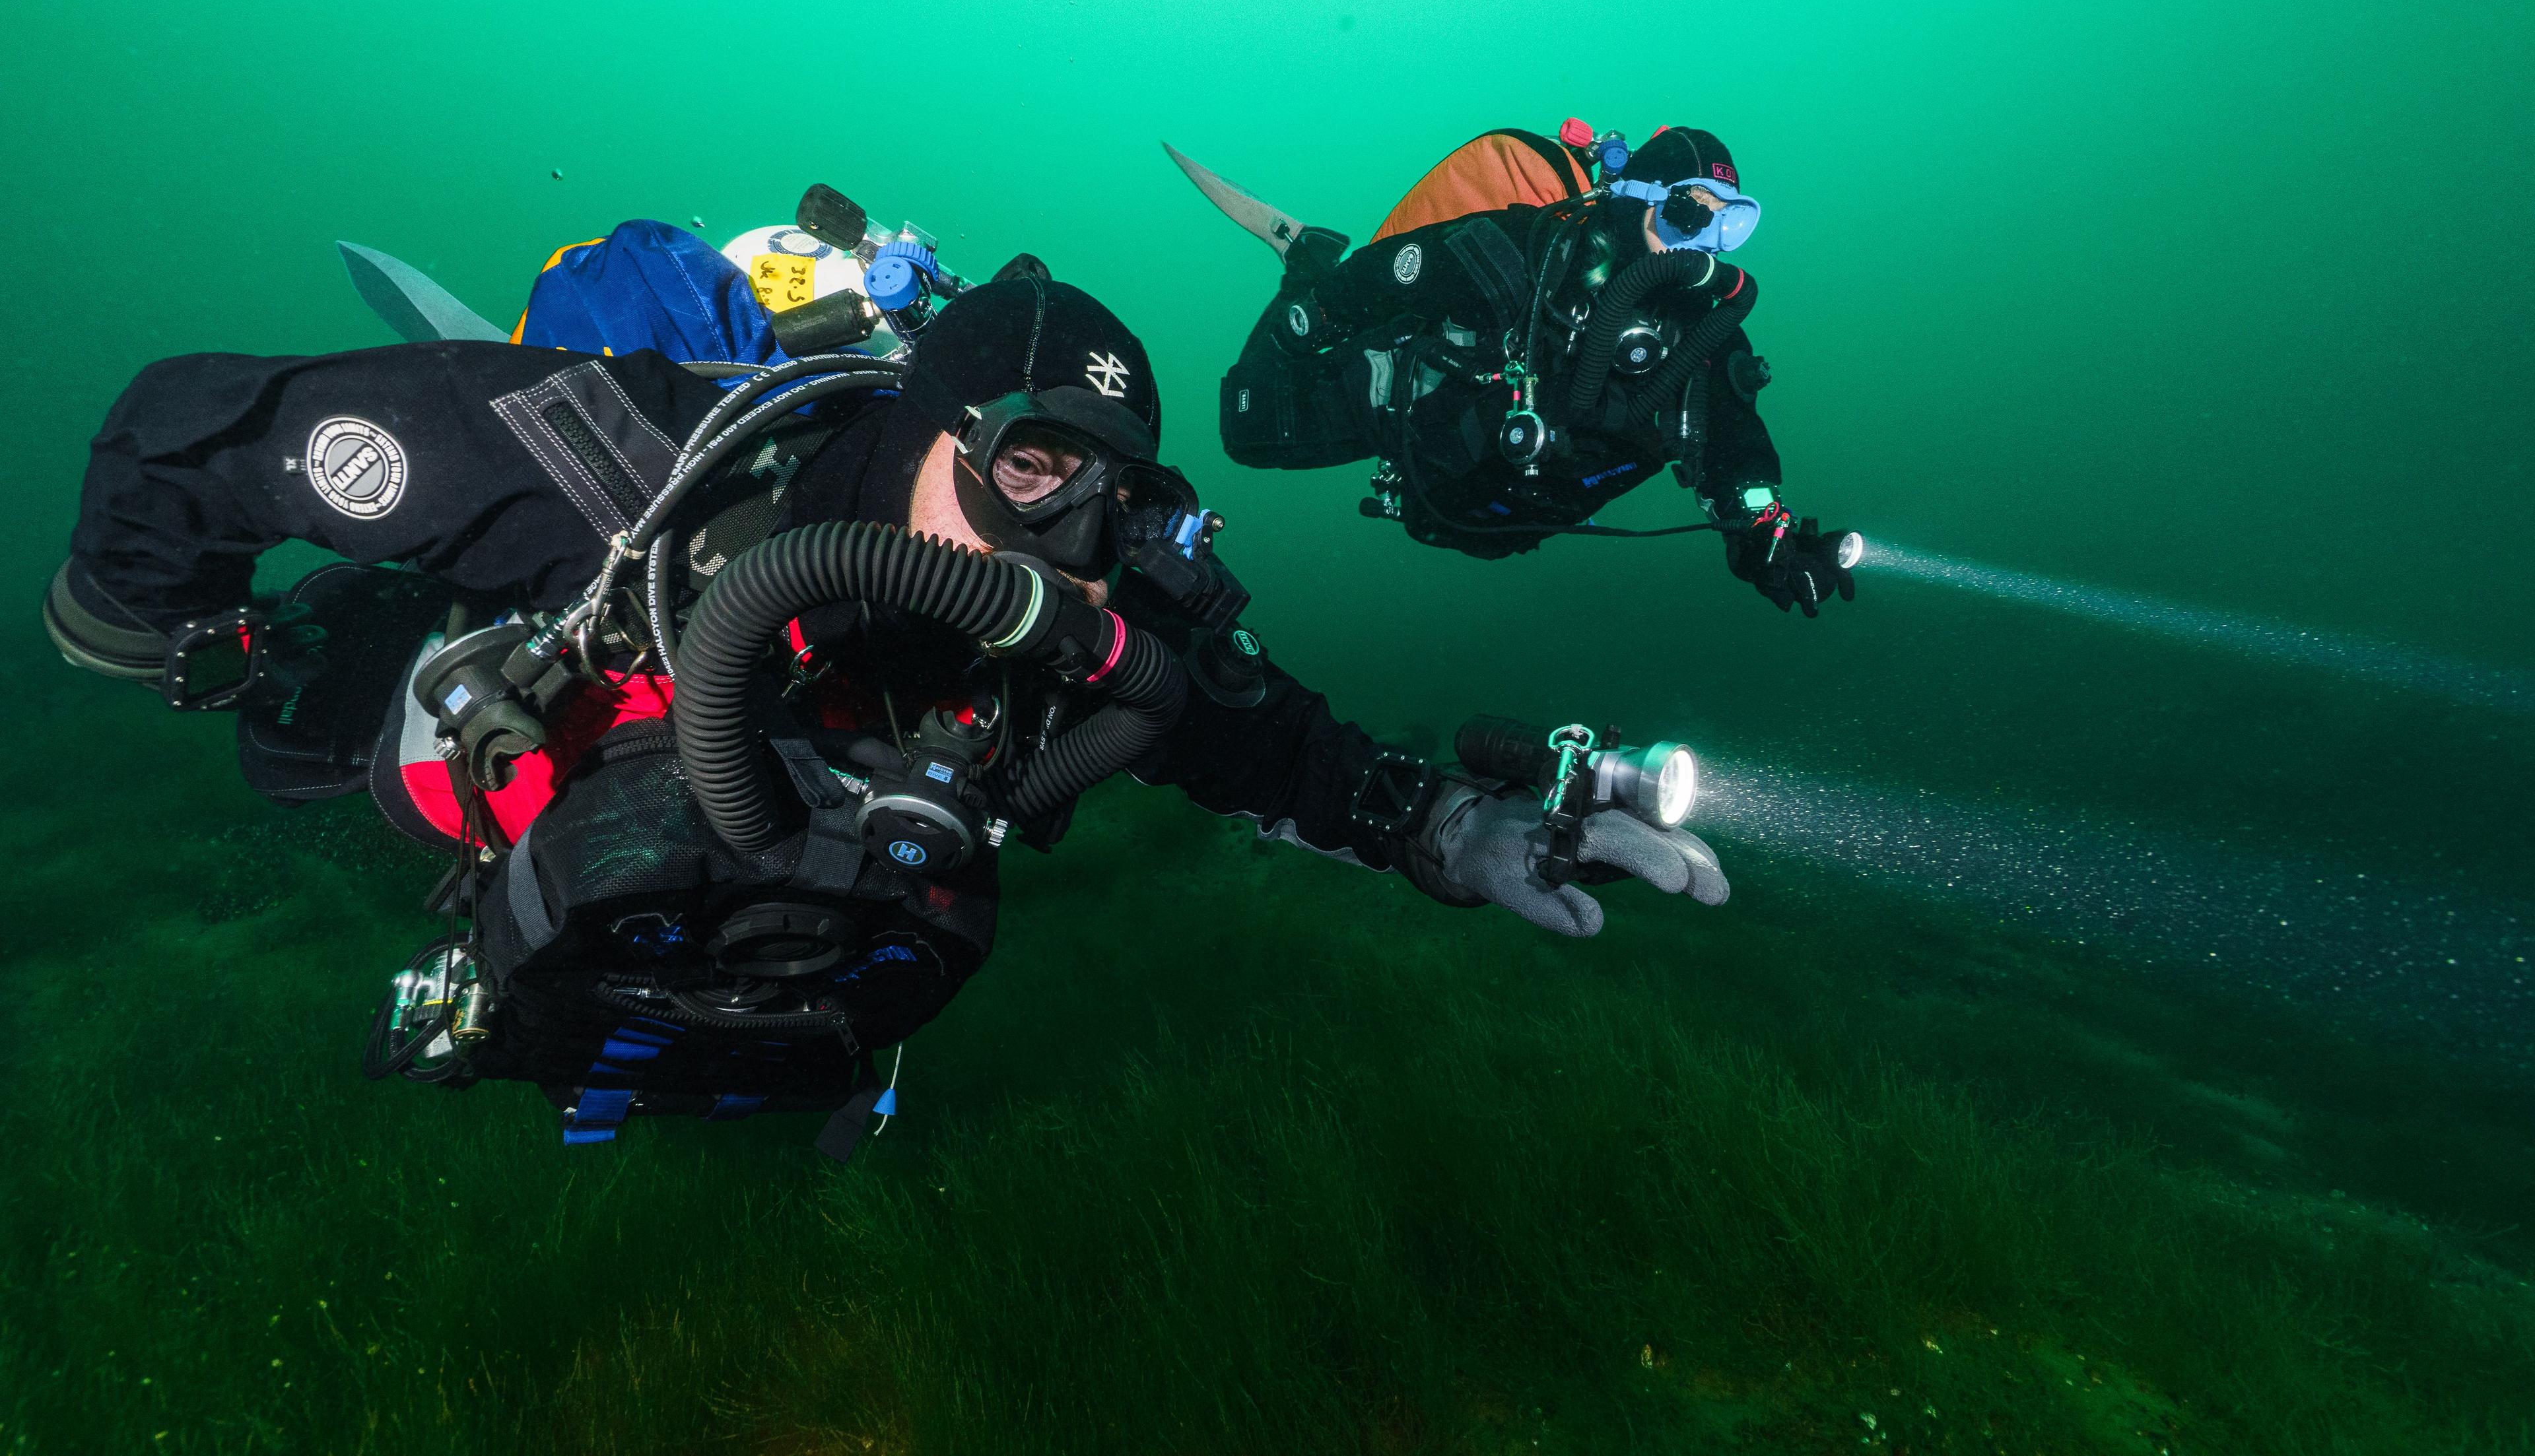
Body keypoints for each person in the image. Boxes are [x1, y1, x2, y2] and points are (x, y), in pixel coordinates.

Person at [42, 278, 1728, 1158]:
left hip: (749, 950)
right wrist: (133, 628)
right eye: (1028, 465)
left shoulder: (1073, 613)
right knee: (338, 724)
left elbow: (1246, 733)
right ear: (938, 421)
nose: (1058, 535)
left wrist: (1442, 825)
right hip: (472, 731)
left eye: (1106, 496)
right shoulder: (621, 459)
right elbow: (183, 437)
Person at [1207, 124, 1860, 616]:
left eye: (1730, 225)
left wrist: (1767, 534)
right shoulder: (1521, 251)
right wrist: (1313, 312)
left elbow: (1735, 443)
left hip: (1494, 511)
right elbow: (1394, 274)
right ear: (1635, 198)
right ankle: (1304, 256)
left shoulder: (1704, 335)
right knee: (1245, 432)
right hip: (1404, 411)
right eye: (1689, 213)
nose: (1704, 245)